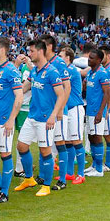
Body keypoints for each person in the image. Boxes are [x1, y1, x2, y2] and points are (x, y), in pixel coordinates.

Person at [14, 40, 65, 197]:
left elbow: (61, 95)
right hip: (32, 116)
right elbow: (24, 87)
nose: (29, 54)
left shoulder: (52, 72)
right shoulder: (34, 71)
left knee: (45, 151)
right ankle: (29, 179)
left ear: (40, 52)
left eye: (32, 51)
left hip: (45, 119)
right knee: (21, 146)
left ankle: (47, 185)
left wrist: (53, 115)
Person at [0, 36, 23, 202]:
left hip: (3, 121)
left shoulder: (11, 70)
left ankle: (5, 192)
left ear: (2, 50)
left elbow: (19, 96)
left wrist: (11, 119)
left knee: (5, 154)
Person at [41, 35, 70, 191]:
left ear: (50, 46)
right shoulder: (43, 63)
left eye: (43, 45)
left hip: (57, 112)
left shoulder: (58, 62)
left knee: (60, 144)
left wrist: (60, 109)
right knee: (43, 144)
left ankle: (62, 179)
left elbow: (67, 86)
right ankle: (45, 176)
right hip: (44, 112)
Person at [58, 46, 86, 185]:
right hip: (67, 109)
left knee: (76, 141)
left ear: (68, 58)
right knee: (68, 142)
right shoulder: (66, 70)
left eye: (61, 56)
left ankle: (81, 174)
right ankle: (69, 173)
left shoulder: (71, 70)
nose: (59, 58)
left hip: (74, 108)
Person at [82, 49, 110, 177]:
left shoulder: (102, 73)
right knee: (91, 137)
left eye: (92, 58)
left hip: (96, 111)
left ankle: (99, 169)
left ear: (99, 60)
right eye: (89, 57)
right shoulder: (90, 73)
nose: (89, 60)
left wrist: (100, 112)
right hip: (89, 110)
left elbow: (107, 93)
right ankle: (94, 165)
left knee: (98, 138)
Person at [13, 53, 32, 178]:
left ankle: (21, 166)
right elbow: (24, 87)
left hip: (23, 106)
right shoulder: (25, 69)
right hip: (23, 107)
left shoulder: (25, 68)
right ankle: (19, 168)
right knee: (23, 139)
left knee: (24, 139)